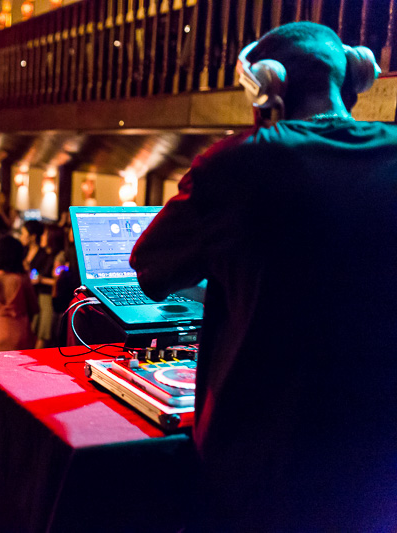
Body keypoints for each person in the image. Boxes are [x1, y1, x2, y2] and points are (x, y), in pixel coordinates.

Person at [129, 22, 397, 530]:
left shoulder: (237, 164)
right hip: (376, 474)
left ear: (265, 85)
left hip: (259, 469)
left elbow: (149, 269)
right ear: (353, 79)